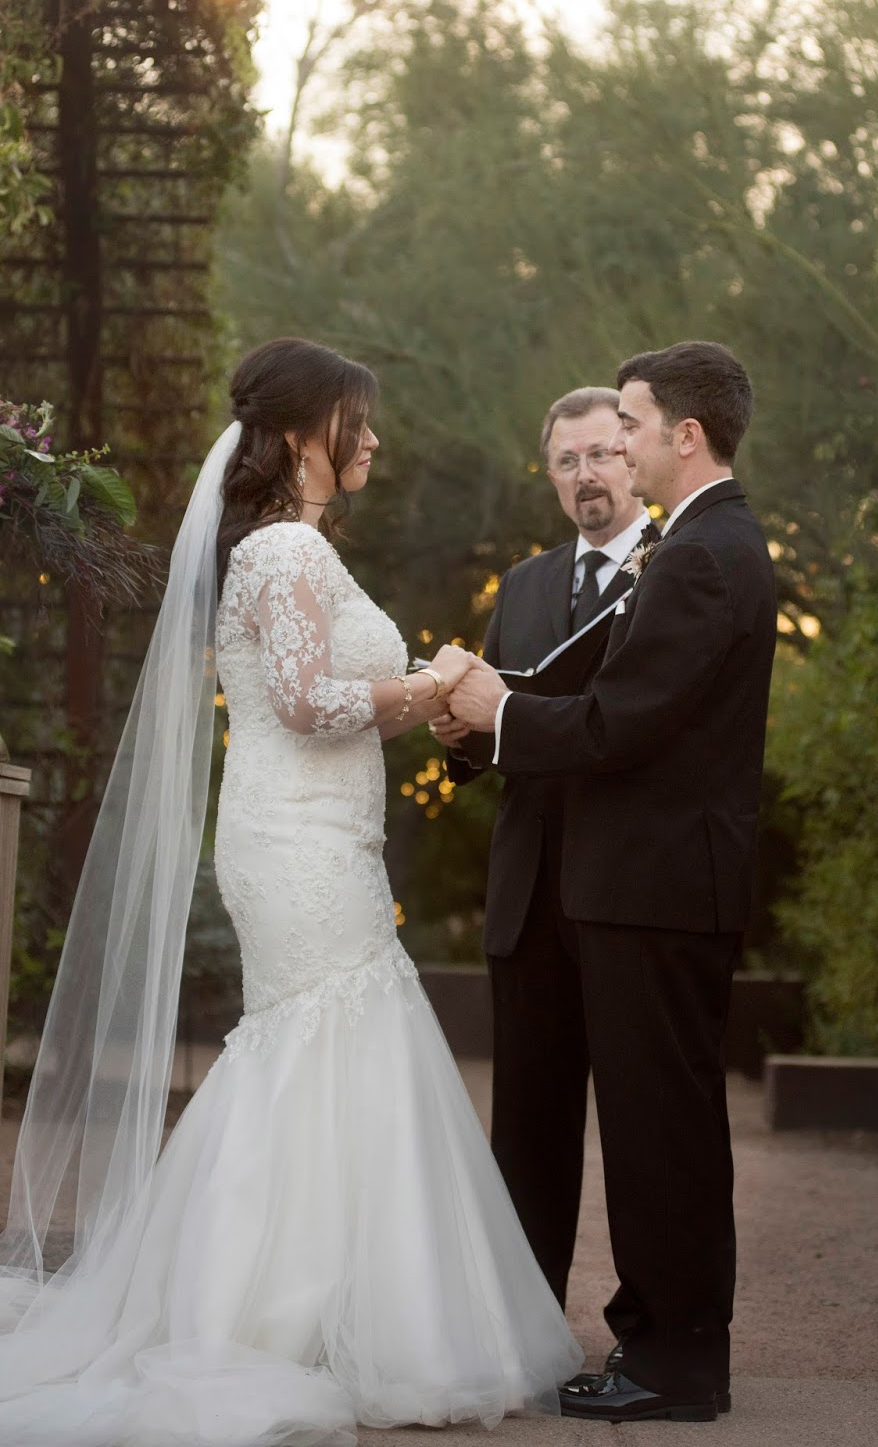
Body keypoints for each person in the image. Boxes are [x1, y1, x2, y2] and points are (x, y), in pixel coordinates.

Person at [0, 337, 582, 1447]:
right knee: (321, 1041)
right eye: (353, 420)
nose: (370, 438)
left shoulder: (296, 550)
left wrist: (426, 686)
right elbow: (315, 701)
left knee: (326, 1046)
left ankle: (319, 1309)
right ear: (302, 430)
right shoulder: (283, 555)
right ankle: (283, 1322)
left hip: (322, 837)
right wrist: (440, 680)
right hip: (297, 844)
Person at [450, 340, 777, 1425]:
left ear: (683, 434)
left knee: (661, 1136)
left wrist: (494, 711)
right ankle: (664, 1350)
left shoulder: (695, 555)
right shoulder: (704, 545)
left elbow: (619, 721)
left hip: (656, 887)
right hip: (641, 887)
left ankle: (675, 1362)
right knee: (654, 1130)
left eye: (628, 425)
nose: (618, 450)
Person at [433, 386, 652, 1310]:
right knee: (526, 1127)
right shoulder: (521, 585)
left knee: (644, 1126)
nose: (585, 475)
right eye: (567, 461)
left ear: (633, 457)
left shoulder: (673, 569)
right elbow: (499, 729)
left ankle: (650, 1328)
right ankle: (520, 1327)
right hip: (528, 895)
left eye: (601, 454)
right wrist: (458, 740)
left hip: (631, 887)